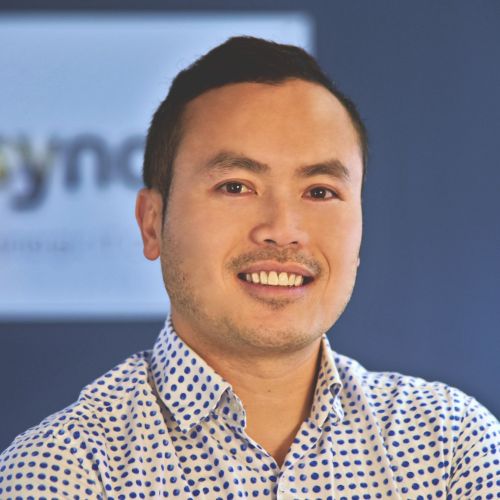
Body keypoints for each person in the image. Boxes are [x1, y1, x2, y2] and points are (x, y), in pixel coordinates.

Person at [0, 36, 498, 499]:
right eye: (236, 186)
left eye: (320, 191)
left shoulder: (452, 447)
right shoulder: (66, 471)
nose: (282, 230)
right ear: (152, 224)